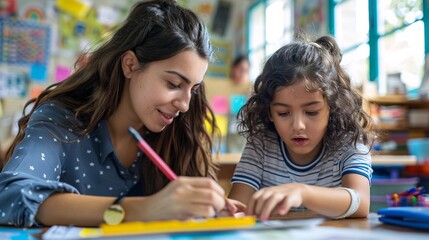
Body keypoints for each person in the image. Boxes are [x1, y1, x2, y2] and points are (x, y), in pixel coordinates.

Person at [0, 0, 242, 227]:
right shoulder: (63, 119)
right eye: (174, 84)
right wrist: (143, 209)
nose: (185, 105)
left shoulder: (178, 133)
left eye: (194, 89)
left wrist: (207, 209)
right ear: (130, 65)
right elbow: (12, 196)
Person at [228, 35, 376, 220]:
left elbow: (361, 203)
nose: (298, 125)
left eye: (312, 112)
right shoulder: (262, 144)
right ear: (269, 112)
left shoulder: (349, 141)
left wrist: (302, 192)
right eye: (283, 113)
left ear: (333, 107)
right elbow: (237, 209)